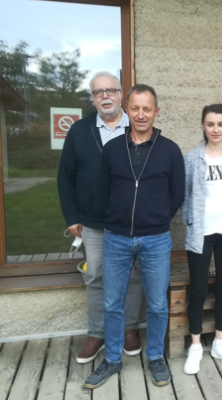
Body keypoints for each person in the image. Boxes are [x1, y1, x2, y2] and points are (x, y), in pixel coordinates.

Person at [84, 84, 185, 389]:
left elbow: (177, 193)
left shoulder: (169, 150)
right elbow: (104, 189)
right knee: (113, 302)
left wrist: (156, 219)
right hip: (115, 238)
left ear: (156, 111)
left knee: (156, 304)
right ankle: (112, 359)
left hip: (155, 239)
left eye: (147, 108)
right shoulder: (113, 149)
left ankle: (155, 356)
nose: (141, 115)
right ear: (126, 109)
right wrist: (116, 218)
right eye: (136, 108)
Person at [57, 71, 144, 364]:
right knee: (95, 277)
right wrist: (71, 215)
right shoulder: (80, 131)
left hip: (129, 222)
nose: (105, 96)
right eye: (98, 92)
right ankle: (98, 333)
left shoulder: (136, 128)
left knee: (132, 278)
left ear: (121, 95)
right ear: (92, 98)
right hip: (92, 223)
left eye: (111, 90)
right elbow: (65, 177)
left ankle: (130, 329)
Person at [181, 104, 222, 374]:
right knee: (197, 290)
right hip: (201, 234)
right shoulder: (192, 159)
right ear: (203, 126)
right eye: (210, 124)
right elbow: (185, 195)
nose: (216, 129)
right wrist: (191, 222)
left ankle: (220, 342)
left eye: (220, 124)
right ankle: (195, 345)